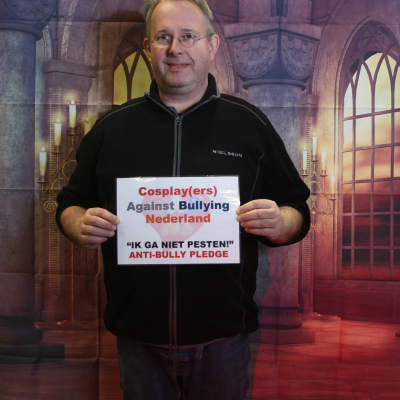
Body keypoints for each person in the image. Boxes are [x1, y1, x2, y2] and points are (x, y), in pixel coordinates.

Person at [56, 0, 311, 399]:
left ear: (211, 45)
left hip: (224, 339)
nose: (176, 49)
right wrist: (78, 223)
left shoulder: (250, 124)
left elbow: (298, 208)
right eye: (164, 37)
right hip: (138, 340)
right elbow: (69, 204)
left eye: (188, 36)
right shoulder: (111, 129)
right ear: (148, 47)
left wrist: (282, 223)